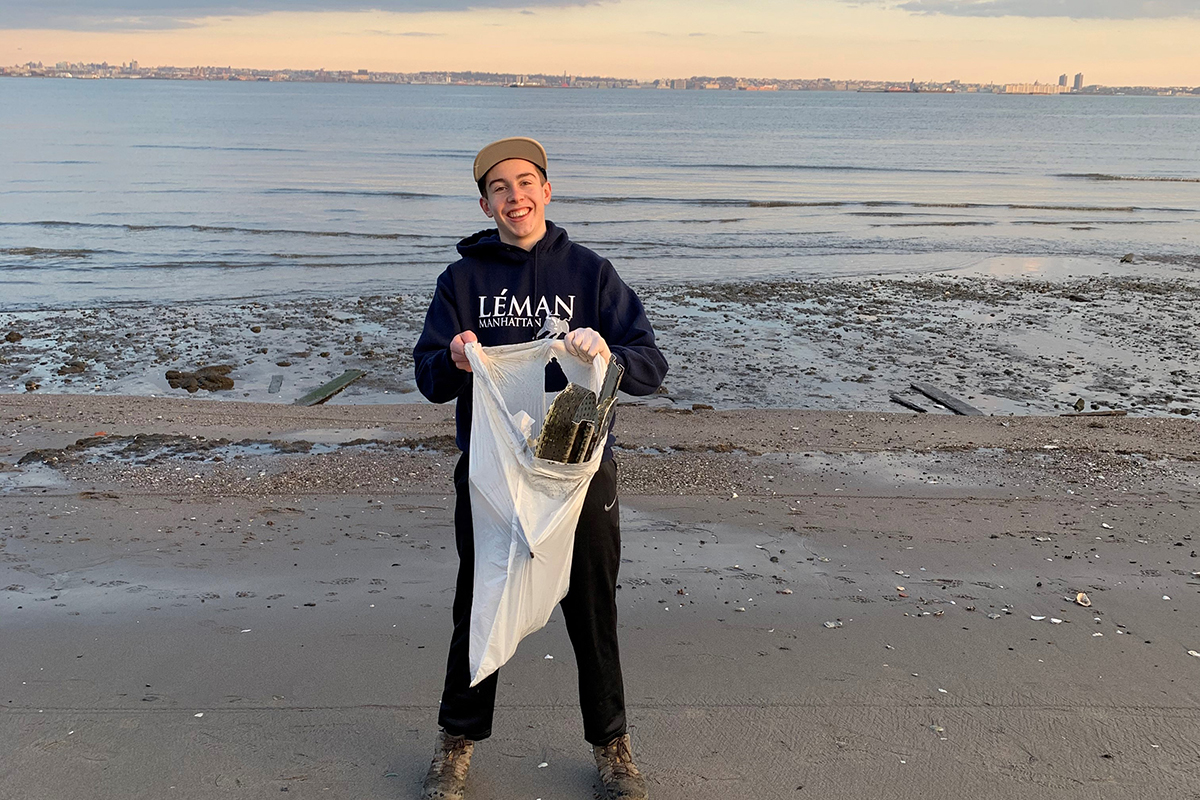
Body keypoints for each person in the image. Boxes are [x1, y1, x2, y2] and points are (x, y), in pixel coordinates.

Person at [412, 137, 668, 800]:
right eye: (500, 187)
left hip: (579, 475)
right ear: (485, 202)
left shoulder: (590, 274)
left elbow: (649, 367)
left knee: (592, 609)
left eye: (526, 182)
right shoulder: (461, 282)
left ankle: (613, 747)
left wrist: (608, 351)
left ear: (547, 192)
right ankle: (455, 745)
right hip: (495, 480)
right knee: (481, 602)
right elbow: (430, 377)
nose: (515, 196)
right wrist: (458, 359)